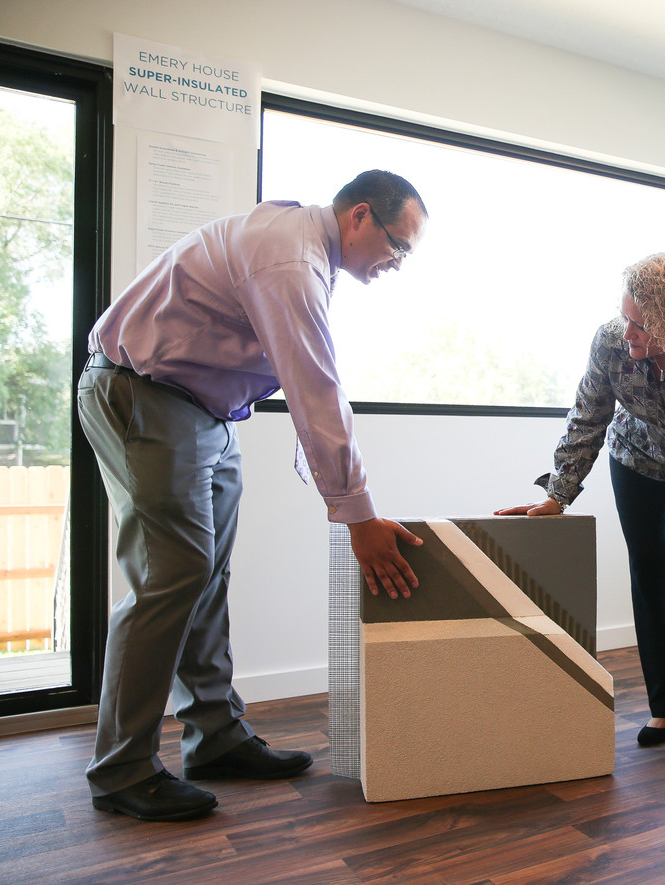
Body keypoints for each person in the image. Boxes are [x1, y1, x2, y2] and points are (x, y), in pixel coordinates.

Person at [77, 170, 429, 822]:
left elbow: (305, 387)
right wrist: (359, 515)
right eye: (397, 245)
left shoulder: (306, 252)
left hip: (204, 410)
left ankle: (214, 738)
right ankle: (121, 769)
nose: (397, 262)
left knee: (203, 575)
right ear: (358, 216)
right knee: (171, 574)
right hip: (144, 394)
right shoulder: (292, 257)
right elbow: (315, 388)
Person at [497, 252, 665, 761]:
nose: (629, 332)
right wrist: (559, 492)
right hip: (635, 456)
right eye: (626, 318)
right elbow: (588, 415)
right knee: (647, 568)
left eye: (641, 325)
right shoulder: (610, 342)